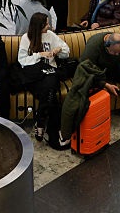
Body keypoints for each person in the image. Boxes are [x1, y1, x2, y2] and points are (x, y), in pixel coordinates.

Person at [17, 13, 69, 143]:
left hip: (50, 72)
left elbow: (66, 51)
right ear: (38, 26)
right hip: (33, 75)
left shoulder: (51, 35)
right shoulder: (26, 38)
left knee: (50, 89)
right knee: (51, 96)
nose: (49, 26)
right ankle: (54, 130)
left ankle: (40, 122)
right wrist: (39, 54)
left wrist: (58, 50)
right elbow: (22, 60)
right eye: (46, 24)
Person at [78, 31, 120, 129]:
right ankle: (91, 121)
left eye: (119, 53)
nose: (116, 55)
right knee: (89, 84)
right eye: (114, 52)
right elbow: (85, 68)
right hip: (96, 70)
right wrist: (105, 84)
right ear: (107, 45)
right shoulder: (94, 46)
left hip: (113, 67)